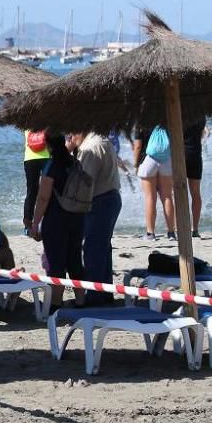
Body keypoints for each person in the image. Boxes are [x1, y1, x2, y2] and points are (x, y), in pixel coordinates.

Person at [30, 132, 86, 309]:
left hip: (56, 220)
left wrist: (35, 223)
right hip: (77, 217)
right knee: (75, 260)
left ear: (48, 145)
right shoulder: (75, 163)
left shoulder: (51, 166)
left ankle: (56, 303)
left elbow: (43, 198)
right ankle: (80, 301)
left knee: (56, 263)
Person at [74, 131, 122, 306]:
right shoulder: (102, 141)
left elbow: (85, 182)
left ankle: (95, 296)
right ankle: (105, 292)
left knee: (93, 249)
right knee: (102, 247)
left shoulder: (90, 148)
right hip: (110, 197)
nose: (69, 138)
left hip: (100, 200)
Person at [132, 127, 175, 241]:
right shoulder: (167, 119)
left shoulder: (142, 122)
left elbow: (137, 146)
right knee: (167, 196)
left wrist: (136, 165)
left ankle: (150, 233)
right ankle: (171, 232)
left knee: (150, 198)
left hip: (148, 160)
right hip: (166, 160)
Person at [22, 129, 50, 234]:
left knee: (31, 192)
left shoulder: (25, 120)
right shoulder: (47, 118)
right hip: (46, 157)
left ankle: (27, 227)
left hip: (30, 158)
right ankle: (47, 223)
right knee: (48, 191)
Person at [183, 118, 207, 237]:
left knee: (178, 193)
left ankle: (180, 226)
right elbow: (202, 134)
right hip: (196, 155)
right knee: (196, 193)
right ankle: (195, 228)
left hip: (181, 155)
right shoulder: (201, 117)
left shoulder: (180, 116)